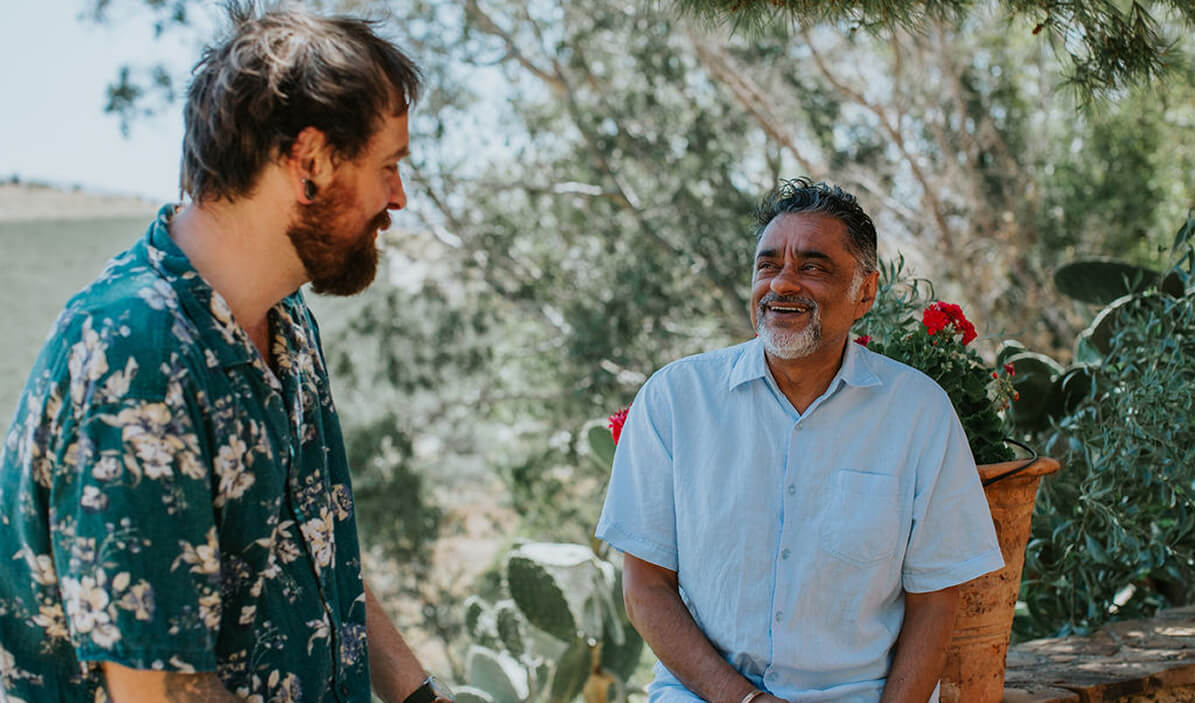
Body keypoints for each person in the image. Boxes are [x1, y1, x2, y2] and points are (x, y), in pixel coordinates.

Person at [0, 4, 454, 702]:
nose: (397, 197)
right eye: (387, 166)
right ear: (308, 162)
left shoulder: (287, 324)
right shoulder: (138, 357)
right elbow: (159, 688)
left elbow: (324, 567)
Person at [595, 178, 1005, 703]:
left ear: (866, 292)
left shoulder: (919, 414)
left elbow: (935, 603)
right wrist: (743, 699)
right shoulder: (676, 400)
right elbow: (645, 589)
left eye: (812, 266)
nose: (782, 284)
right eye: (768, 265)